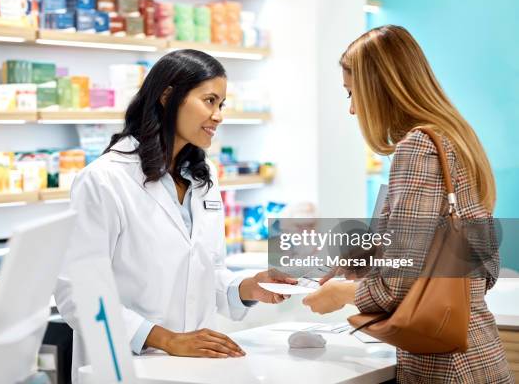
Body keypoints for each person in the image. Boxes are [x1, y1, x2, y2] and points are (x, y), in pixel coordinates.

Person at [55, 49, 294, 381]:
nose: (218, 115)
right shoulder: (104, 179)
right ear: (168, 97)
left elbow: (205, 274)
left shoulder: (202, 177)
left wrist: (249, 287)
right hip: (126, 368)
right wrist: (168, 340)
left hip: (193, 368)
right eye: (209, 101)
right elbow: (78, 294)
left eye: (221, 104)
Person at [302, 25, 513, 383]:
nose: (353, 109)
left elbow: (396, 286)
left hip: (444, 367)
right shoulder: (457, 139)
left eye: (353, 94)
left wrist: (341, 295)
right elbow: (480, 267)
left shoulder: (416, 148)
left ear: (380, 91)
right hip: (479, 352)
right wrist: (363, 259)